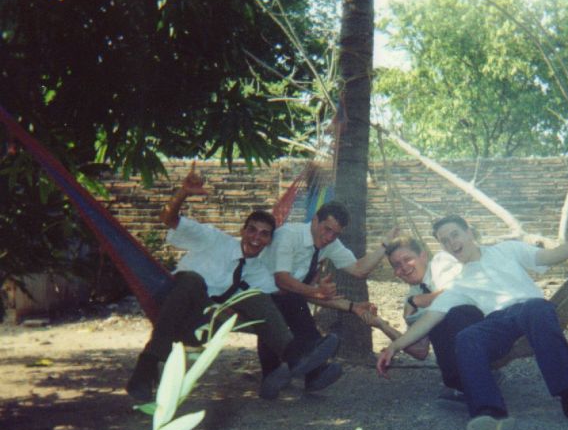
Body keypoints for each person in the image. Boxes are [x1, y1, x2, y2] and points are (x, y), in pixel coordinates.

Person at [376, 215, 568, 430]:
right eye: (445, 241)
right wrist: (394, 347)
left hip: (529, 308)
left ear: (468, 231)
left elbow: (551, 256)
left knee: (539, 309)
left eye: (455, 234)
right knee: (467, 337)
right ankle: (490, 412)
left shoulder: (507, 250)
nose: (452, 243)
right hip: (498, 322)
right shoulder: (458, 282)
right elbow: (431, 318)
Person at [125, 169, 337, 402]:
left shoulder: (258, 272)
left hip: (204, 324)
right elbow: (169, 219)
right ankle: (146, 367)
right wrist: (183, 193)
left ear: (269, 241)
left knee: (256, 296)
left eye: (265, 234)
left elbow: (285, 292)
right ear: (242, 230)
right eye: (252, 230)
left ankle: (295, 356)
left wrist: (315, 285)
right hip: (173, 303)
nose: (256, 238)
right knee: (192, 279)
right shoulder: (213, 239)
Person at [262, 201, 399, 393]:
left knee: (293, 301)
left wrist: (384, 246)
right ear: (315, 220)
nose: (329, 237)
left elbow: (359, 270)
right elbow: (281, 280)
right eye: (326, 229)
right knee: (290, 300)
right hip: (256, 297)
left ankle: (291, 374)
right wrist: (316, 291)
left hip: (286, 300)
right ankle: (304, 368)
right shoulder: (288, 235)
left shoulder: (330, 243)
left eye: (335, 234)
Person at [367, 236, 490, 402]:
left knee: (450, 313)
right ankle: (464, 384)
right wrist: (382, 325)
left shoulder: (440, 262)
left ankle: (476, 384)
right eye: (397, 265)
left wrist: (417, 301)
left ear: (423, 256)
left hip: (490, 326)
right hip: (471, 341)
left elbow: (453, 293)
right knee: (435, 320)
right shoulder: (413, 294)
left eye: (407, 259)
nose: (403, 267)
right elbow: (420, 350)